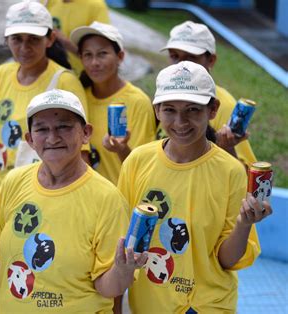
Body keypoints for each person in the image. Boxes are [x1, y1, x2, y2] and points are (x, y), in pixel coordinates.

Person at [117, 61, 272, 313]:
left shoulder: (230, 171)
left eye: (192, 110)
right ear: (156, 110)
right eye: (170, 110)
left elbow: (227, 260)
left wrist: (244, 224)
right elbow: (122, 242)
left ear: (213, 110)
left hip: (207, 304)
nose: (180, 122)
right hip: (149, 303)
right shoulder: (137, 161)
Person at [0, 89, 147, 312]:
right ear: (29, 139)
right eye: (42, 129)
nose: (53, 138)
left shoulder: (107, 198)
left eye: (64, 127)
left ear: (85, 133)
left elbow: (108, 287)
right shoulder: (13, 183)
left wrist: (123, 271)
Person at [0, 0, 88, 203]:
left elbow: (81, 151)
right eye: (16, 39)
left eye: (33, 39)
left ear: (50, 39)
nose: (24, 47)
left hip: (42, 198)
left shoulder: (65, 81)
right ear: (6, 39)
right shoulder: (1, 74)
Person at [158, 20, 257, 168]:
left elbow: (250, 179)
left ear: (211, 60)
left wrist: (226, 148)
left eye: (190, 57)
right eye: (174, 56)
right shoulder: (165, 96)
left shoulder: (225, 106)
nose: (181, 64)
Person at [70, 21, 156, 184]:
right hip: (87, 199)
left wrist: (121, 149)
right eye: (88, 55)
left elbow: (145, 168)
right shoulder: (79, 98)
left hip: (121, 200)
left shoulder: (137, 102)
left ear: (120, 57)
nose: (94, 62)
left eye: (102, 54)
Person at [47, 0, 110, 74]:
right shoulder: (50, 1)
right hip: (46, 71)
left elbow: (101, 54)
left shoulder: (96, 5)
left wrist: (65, 42)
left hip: (76, 76)